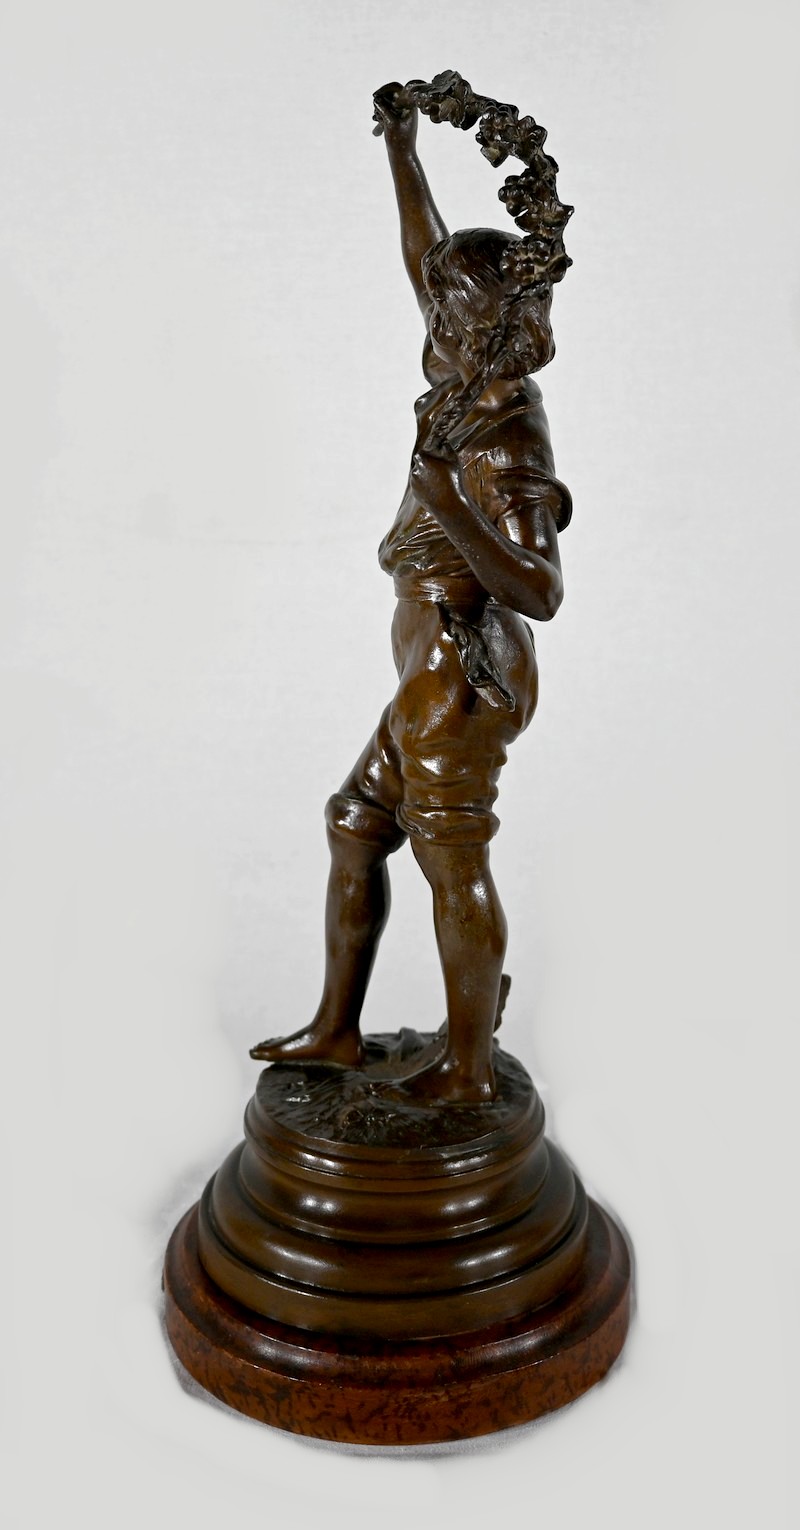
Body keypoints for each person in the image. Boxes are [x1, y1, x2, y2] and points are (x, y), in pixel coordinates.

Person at [251, 84, 571, 1102]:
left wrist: (446, 501)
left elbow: (540, 589)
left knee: (449, 859)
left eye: (444, 302)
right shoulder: (456, 371)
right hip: (425, 664)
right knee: (357, 821)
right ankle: (337, 1031)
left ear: (475, 319)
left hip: (464, 671)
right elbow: (422, 250)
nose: (428, 310)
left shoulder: (505, 438)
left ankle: (468, 1074)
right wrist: (402, 150)